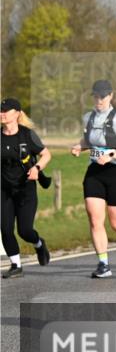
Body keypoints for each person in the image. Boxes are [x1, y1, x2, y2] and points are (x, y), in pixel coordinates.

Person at [70, 80, 116, 279]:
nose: (99, 100)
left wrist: (111, 155)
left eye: (103, 96)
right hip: (95, 172)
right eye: (96, 96)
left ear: (111, 96)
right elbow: (89, 140)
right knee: (95, 219)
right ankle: (103, 264)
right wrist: (79, 147)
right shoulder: (88, 117)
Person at [1, 98, 52, 278]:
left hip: (25, 190)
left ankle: (39, 244)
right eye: (0, 110)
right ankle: (16, 265)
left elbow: (46, 155)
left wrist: (36, 168)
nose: (2, 114)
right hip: (4, 190)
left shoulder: (27, 135)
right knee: (5, 228)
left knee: (24, 231)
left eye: (6, 110)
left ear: (17, 113)